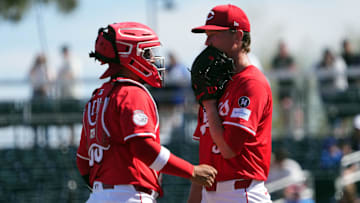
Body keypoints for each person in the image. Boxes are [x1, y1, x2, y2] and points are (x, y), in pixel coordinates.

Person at [76, 22, 217, 203]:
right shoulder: (132, 92)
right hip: (129, 195)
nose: (153, 59)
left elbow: (82, 160)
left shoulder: (96, 97)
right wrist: (192, 171)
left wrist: (104, 191)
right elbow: (143, 148)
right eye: (147, 52)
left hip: (97, 196)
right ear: (129, 53)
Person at [188, 4, 273, 203]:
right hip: (211, 193)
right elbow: (205, 160)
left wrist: (208, 102)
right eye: (206, 35)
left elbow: (228, 149)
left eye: (214, 34)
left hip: (241, 192)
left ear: (238, 36)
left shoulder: (252, 83)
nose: (207, 42)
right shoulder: (216, 85)